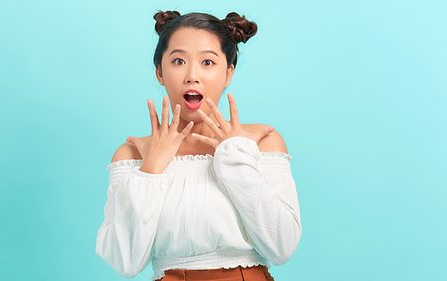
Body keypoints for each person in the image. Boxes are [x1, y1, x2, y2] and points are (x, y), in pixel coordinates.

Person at [95, 11, 302, 281]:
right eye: (179, 61)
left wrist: (235, 156)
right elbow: (125, 262)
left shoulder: (260, 143)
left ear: (228, 72)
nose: (192, 76)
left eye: (207, 62)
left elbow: (282, 248)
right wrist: (151, 170)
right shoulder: (133, 155)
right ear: (159, 72)